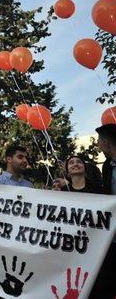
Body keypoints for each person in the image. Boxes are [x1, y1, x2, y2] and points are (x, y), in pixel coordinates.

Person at [92, 124, 116, 299]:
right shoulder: (107, 166)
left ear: (106, 143)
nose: (98, 146)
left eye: (99, 142)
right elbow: (104, 194)